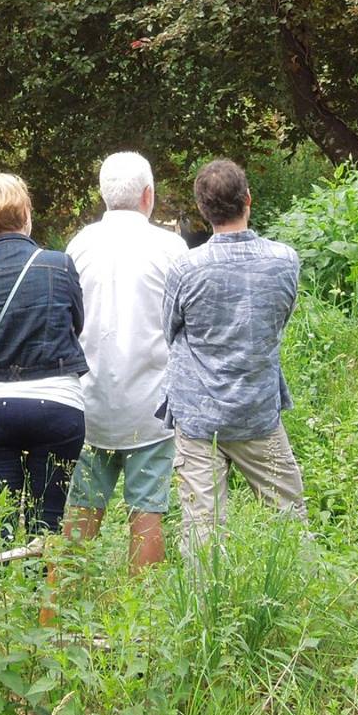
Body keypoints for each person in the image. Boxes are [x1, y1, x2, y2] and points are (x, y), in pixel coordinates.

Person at [163, 158, 305, 554]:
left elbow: (168, 328)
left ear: (203, 210)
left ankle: (204, 607)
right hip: (258, 409)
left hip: (197, 415)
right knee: (289, 514)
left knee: (201, 527)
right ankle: (301, 594)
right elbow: (280, 320)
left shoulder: (185, 269)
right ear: (248, 199)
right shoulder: (285, 260)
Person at [0, 172, 87, 555]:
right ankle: (43, 607)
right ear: (26, 211)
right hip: (58, 402)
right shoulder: (58, 264)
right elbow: (75, 324)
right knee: (48, 523)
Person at [65, 152, 186, 572]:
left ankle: (58, 609)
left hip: (89, 399)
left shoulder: (78, 245)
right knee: (148, 508)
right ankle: (145, 618)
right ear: (148, 196)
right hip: (151, 401)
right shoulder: (170, 247)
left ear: (103, 195)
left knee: (81, 504)